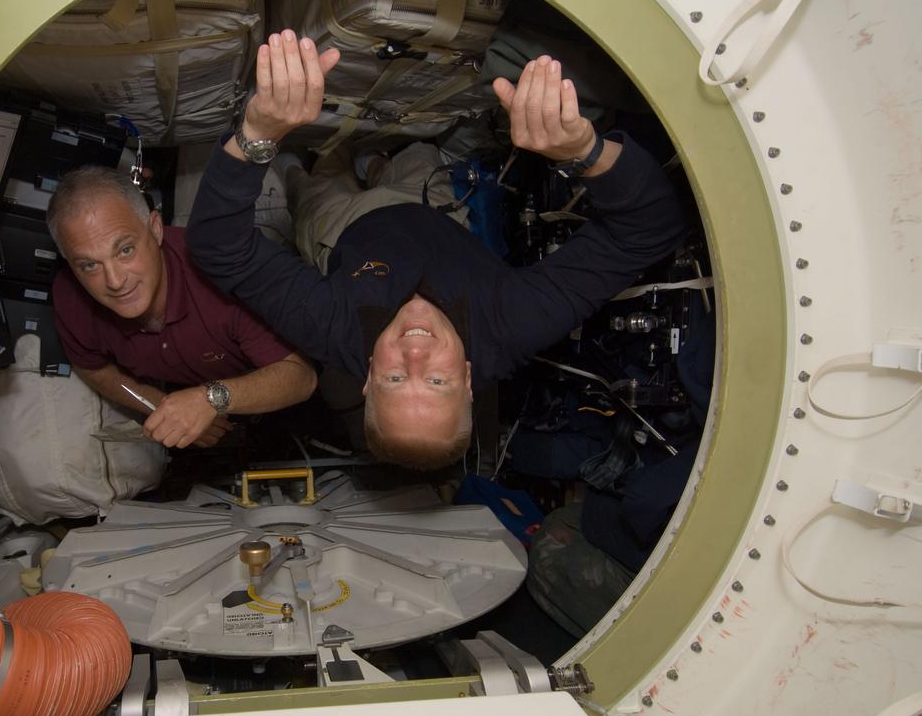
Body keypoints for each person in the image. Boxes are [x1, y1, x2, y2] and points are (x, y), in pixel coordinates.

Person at [187, 30, 689, 469]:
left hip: (345, 228)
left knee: (313, 175)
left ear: (365, 381)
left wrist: (260, 135)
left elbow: (218, 249)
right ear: (468, 381)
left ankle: (316, 165)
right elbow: (648, 230)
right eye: (436, 382)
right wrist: (584, 153)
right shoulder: (511, 327)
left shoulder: (335, 331)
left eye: (395, 376)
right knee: (419, 149)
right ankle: (377, 162)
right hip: (434, 209)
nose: (415, 350)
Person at [48, 166, 317, 449]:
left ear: (155, 229)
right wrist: (165, 407)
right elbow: (93, 368)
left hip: (284, 379)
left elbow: (301, 376)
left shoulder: (223, 276)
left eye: (125, 250)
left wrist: (209, 400)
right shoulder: (71, 296)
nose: (115, 281)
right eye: (90, 265)